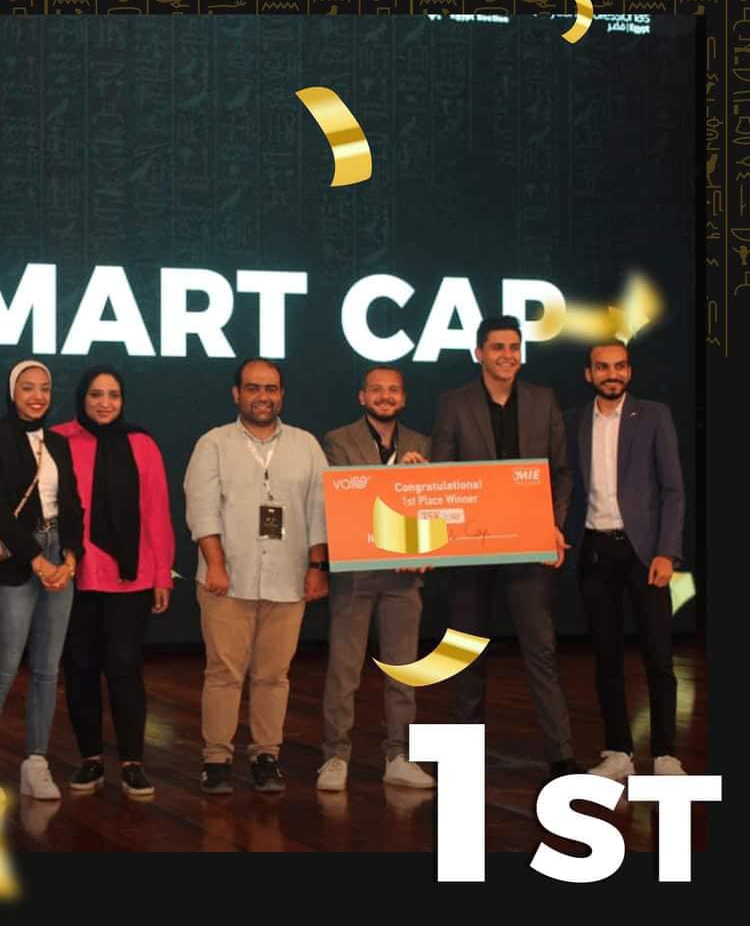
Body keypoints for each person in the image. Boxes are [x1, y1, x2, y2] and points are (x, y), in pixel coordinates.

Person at [430, 316, 578, 778]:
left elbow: (561, 472)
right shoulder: (454, 403)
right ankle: (464, 757)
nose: (507, 355)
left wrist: (553, 525)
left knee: (541, 650)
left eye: (514, 347)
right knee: (464, 650)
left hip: (528, 542)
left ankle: (561, 756)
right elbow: (443, 473)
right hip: (472, 546)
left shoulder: (543, 399)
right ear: (479, 353)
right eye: (497, 347)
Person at [184, 358, 329, 795]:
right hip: (227, 578)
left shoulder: (306, 445)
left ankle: (267, 755)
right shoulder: (213, 443)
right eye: (253, 388)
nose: (262, 397)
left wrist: (317, 567)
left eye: (271, 389)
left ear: (281, 395)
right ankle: (216, 758)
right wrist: (215, 564)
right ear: (237, 394)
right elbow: (202, 509)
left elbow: (319, 511)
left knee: (274, 674)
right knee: (224, 672)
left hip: (288, 579)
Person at [51, 366, 175, 797]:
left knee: (125, 667)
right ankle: (90, 760)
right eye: (96, 394)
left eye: (113, 395)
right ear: (81, 397)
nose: (105, 403)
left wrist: (162, 574)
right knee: (80, 668)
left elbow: (156, 511)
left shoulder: (142, 444)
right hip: (75, 573)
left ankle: (132, 762)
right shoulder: (59, 439)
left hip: (131, 576)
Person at [570, 343, 687, 780]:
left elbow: (673, 490)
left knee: (659, 657)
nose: (611, 374)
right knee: (606, 658)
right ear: (589, 374)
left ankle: (666, 754)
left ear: (630, 372)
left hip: (645, 554)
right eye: (602, 367)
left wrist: (666, 551)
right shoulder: (574, 421)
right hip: (596, 552)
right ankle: (618, 751)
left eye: (619, 366)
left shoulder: (654, 415)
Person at [0, 360, 85, 801]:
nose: (37, 396)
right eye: (27, 387)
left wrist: (70, 557)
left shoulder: (58, 442)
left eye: (44, 388)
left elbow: (72, 505)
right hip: (19, 557)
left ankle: (36, 763)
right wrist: (36, 559)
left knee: (47, 670)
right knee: (3, 668)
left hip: (59, 555)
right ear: (12, 391)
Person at [317, 366, 436, 792]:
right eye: (377, 390)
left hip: (405, 578)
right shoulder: (338, 440)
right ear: (362, 397)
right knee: (344, 671)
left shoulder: (423, 444)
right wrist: (399, 477)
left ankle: (398, 756)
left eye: (393, 390)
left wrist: (425, 548)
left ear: (403, 398)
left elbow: (432, 506)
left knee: (403, 672)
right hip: (357, 573)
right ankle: (335, 757)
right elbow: (346, 499)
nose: (385, 396)